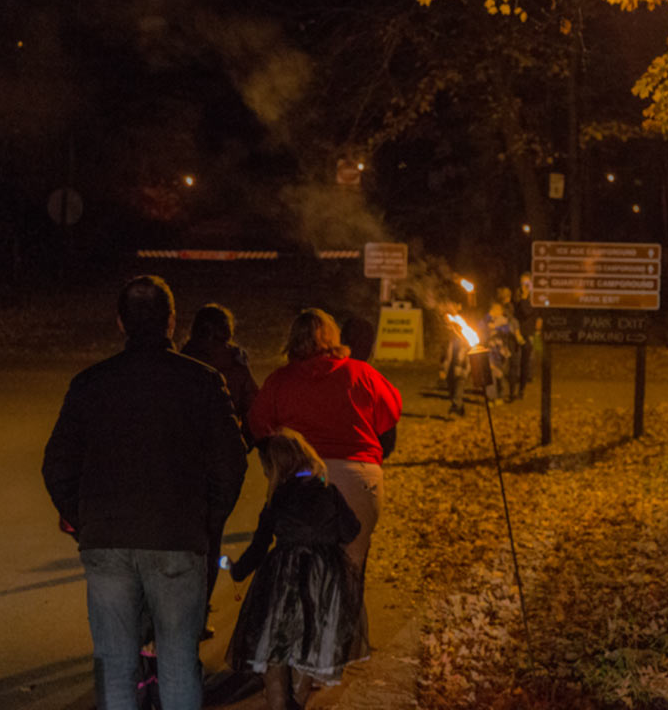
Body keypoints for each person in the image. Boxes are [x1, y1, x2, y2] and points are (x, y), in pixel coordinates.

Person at [42, 274, 248, 710]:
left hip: (107, 540)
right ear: (171, 322)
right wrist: (206, 520)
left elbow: (57, 464)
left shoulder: (90, 384)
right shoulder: (203, 382)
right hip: (177, 537)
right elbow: (232, 463)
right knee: (177, 658)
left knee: (115, 662)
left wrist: (82, 520)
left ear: (120, 322)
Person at [248, 308, 401, 577]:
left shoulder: (279, 381)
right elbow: (390, 415)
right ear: (335, 337)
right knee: (351, 571)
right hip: (358, 477)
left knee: (297, 568)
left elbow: (258, 427)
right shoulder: (362, 373)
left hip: (301, 481)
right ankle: (348, 615)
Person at [225, 429, 368, 710]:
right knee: (307, 650)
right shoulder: (328, 492)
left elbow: (259, 545)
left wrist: (237, 570)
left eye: (267, 468)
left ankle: (278, 705)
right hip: (323, 583)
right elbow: (351, 530)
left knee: (274, 652)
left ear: (277, 466)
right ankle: (297, 705)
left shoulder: (279, 497)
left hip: (282, 581)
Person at [180, 302, 260, 640]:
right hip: (220, 469)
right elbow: (255, 413)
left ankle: (176, 611)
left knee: (181, 540)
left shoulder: (180, 359)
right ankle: (197, 613)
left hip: (182, 465)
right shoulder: (235, 366)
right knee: (210, 540)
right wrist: (242, 446)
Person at [439, 302, 471, 417]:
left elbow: (468, 354)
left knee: (458, 389)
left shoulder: (465, 337)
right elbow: (445, 355)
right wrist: (443, 369)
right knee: (452, 391)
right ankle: (460, 407)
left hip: (461, 368)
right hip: (450, 369)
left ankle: (454, 408)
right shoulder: (449, 340)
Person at [512, 272, 540, 400]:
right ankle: (512, 390)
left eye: (527, 283)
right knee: (514, 363)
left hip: (528, 334)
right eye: (522, 283)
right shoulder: (517, 297)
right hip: (517, 333)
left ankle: (521, 390)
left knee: (524, 363)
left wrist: (524, 298)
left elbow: (527, 312)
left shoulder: (533, 299)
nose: (524, 286)